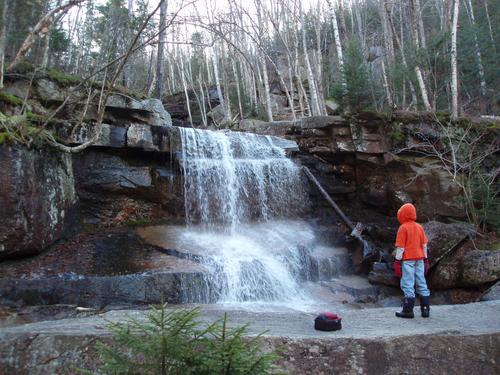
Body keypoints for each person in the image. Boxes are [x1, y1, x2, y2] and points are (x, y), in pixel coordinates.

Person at [393, 203, 430, 318]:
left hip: (407, 260)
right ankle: (425, 310)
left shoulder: (403, 228)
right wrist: (426, 259)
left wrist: (397, 262)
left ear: (402, 215)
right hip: (420, 259)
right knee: (421, 282)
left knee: (408, 283)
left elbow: (401, 248)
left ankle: (408, 311)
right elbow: (424, 245)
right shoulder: (419, 227)